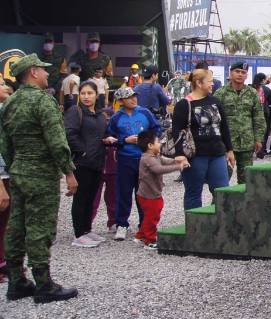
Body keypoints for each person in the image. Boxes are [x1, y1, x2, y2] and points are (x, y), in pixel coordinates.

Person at [1, 54, 79, 303]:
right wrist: (69, 172)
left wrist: (15, 165)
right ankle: (44, 284)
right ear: (33, 72)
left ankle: (17, 281)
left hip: (19, 170)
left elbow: (4, 143)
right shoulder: (43, 103)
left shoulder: (9, 103)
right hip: (42, 174)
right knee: (40, 228)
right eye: (43, 71)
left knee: (16, 226)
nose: (47, 74)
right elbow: (57, 142)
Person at [173, 68, 234, 211]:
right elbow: (177, 131)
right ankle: (193, 227)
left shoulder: (215, 101)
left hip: (217, 154)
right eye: (210, 81)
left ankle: (221, 225)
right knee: (194, 193)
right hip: (195, 156)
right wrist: (180, 154)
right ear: (199, 83)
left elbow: (224, 127)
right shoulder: (184, 104)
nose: (213, 84)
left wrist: (229, 150)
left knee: (222, 192)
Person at [105, 86, 160, 241]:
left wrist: (146, 140)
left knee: (143, 192)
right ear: (121, 101)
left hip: (144, 159)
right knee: (124, 192)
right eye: (129, 97)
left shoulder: (145, 112)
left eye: (135, 96)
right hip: (125, 159)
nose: (134, 99)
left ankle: (144, 224)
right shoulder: (116, 117)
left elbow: (157, 129)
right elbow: (110, 138)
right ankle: (122, 224)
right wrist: (124, 140)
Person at [64, 81, 114, 247]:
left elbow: (101, 133)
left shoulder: (100, 114)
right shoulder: (75, 111)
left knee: (91, 197)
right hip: (82, 162)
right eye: (83, 93)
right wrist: (82, 150)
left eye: (89, 93)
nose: (86, 97)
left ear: (96, 94)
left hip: (98, 161)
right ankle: (79, 234)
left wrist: (107, 139)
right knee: (81, 197)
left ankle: (87, 229)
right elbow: (69, 134)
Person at [134, 130, 188, 250]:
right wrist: (178, 167)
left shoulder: (155, 155)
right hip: (148, 195)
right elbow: (158, 169)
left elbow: (164, 160)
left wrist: (175, 160)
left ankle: (140, 235)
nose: (161, 144)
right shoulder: (147, 159)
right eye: (158, 142)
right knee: (152, 217)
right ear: (150, 145)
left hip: (152, 193)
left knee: (150, 215)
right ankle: (150, 240)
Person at [214, 60, 265, 184]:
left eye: (243, 72)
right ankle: (219, 203)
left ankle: (244, 203)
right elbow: (214, 119)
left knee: (246, 181)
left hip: (247, 143)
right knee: (222, 180)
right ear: (230, 73)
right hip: (227, 144)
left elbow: (258, 117)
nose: (240, 74)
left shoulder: (252, 93)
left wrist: (258, 139)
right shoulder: (220, 93)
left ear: (247, 75)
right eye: (237, 71)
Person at [132, 65, 172, 129]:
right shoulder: (156, 87)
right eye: (157, 75)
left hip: (138, 122)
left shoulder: (136, 88)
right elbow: (167, 101)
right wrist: (166, 94)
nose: (157, 76)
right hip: (153, 121)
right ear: (153, 75)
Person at [0, 84, 11, 285]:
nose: (6, 87)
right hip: (1, 176)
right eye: (1, 85)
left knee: (5, 223)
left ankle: (3, 262)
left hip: (8, 174)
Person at [41, 33, 69, 99]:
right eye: (46, 42)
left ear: (53, 43)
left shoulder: (61, 59)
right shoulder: (39, 59)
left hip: (57, 93)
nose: (48, 44)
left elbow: (64, 77)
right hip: (42, 92)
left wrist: (54, 89)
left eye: (50, 42)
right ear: (43, 44)